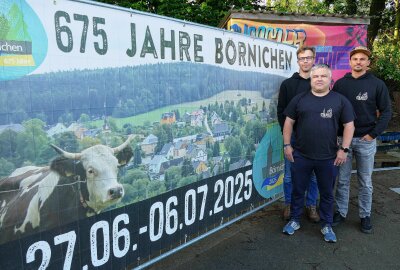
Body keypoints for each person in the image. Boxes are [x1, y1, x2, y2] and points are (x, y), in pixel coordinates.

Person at [282, 64, 355, 243]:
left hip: (329, 158)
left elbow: (349, 125)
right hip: (301, 155)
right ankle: (295, 220)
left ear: (330, 79)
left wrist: (344, 149)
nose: (319, 79)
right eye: (316, 77)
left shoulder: (340, 100)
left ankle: (326, 224)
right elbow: (288, 122)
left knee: (327, 193)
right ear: (311, 79)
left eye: (323, 76)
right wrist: (286, 145)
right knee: (298, 190)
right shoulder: (299, 99)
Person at [332, 46, 392, 233]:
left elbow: (386, 111)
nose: (358, 62)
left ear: (368, 63)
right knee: (342, 180)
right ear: (350, 62)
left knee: (365, 181)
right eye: (355, 59)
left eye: (362, 59)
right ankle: (341, 212)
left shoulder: (377, 84)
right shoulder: (341, 84)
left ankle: (365, 215)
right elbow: (334, 110)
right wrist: (336, 136)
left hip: (366, 140)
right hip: (344, 141)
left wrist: (373, 134)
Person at [277, 46, 320, 223]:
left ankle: (311, 205)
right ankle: (289, 204)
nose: (305, 61)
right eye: (302, 58)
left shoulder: (319, 82)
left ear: (313, 60)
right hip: (293, 138)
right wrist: (287, 136)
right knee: (289, 175)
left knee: (313, 175)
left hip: (316, 138)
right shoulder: (288, 84)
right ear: (298, 61)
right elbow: (281, 111)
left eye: (308, 58)